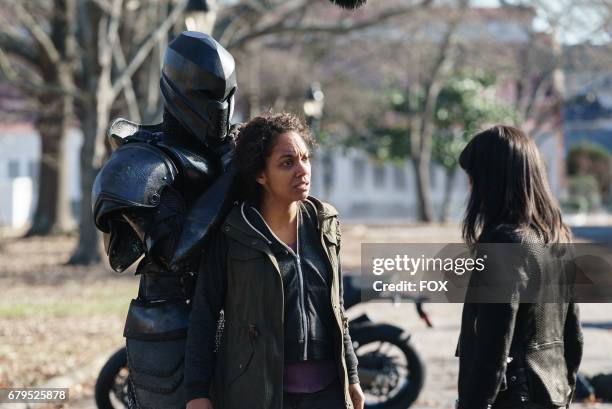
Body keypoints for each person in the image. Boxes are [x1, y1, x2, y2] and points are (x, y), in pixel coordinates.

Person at [92, 32, 238, 409]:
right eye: (209, 97)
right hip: (170, 329)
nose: (219, 110)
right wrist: (232, 175)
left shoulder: (230, 153)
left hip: (238, 320)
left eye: (225, 97)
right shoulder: (143, 163)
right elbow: (175, 250)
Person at [184, 112, 365, 409]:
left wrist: (353, 376)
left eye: (305, 159)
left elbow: (337, 308)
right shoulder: (233, 233)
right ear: (260, 174)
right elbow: (204, 315)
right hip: (259, 394)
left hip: (328, 394)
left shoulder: (325, 224)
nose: (302, 170)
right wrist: (197, 392)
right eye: (287, 163)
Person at [455, 125, 584, 409]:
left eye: (473, 177)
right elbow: (572, 335)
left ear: (492, 179)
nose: (470, 187)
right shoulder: (558, 237)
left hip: (512, 398)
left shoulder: (503, 241)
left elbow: (493, 342)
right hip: (552, 393)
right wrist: (565, 389)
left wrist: (474, 404)